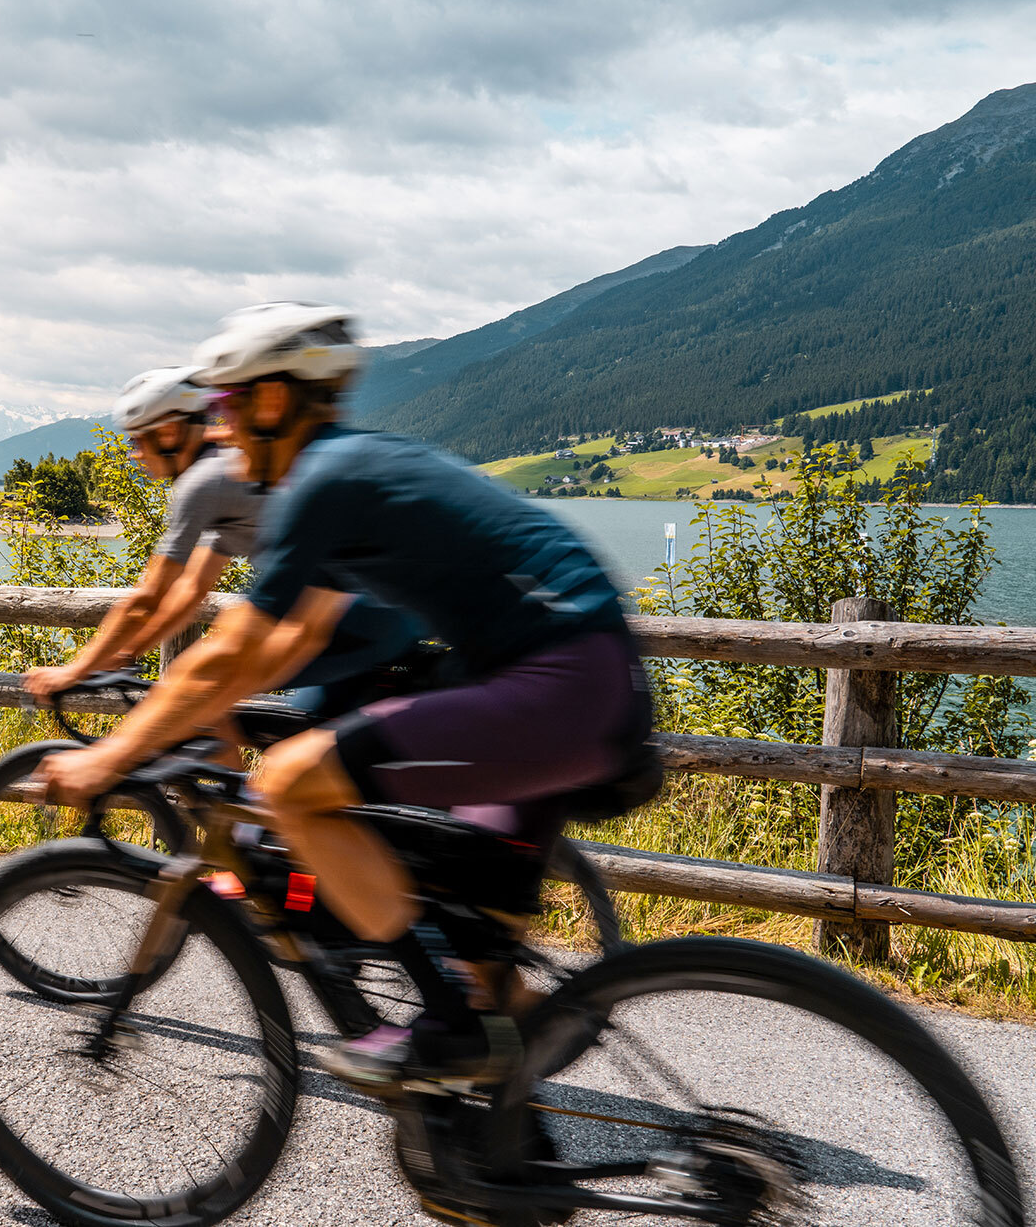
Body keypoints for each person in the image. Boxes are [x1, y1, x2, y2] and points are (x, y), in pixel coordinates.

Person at [36, 302, 650, 1087]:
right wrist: (192, 709)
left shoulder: (321, 482)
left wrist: (111, 755)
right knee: (484, 972)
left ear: (272, 400)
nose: (219, 427)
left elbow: (232, 649)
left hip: (557, 689)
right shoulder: (354, 468)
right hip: (586, 679)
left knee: (290, 781)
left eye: (227, 405)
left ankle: (447, 1028)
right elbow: (289, 642)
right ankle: (494, 1132)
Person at [22, 366, 414, 713]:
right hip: (358, 613)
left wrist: (74, 670)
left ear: (169, 432)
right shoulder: (225, 471)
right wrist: (127, 652)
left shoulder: (203, 482)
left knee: (198, 694)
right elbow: (192, 588)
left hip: (352, 620)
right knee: (206, 699)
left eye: (138, 440)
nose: (134, 454)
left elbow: (148, 597)